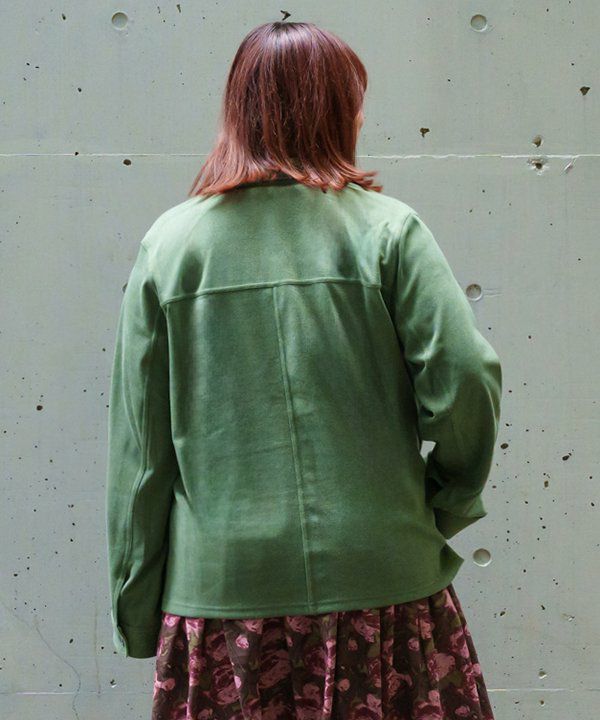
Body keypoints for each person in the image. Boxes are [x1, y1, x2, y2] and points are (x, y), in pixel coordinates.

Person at [105, 19, 502, 720]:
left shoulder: (171, 246)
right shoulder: (388, 231)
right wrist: (446, 498)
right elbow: (465, 378)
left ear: (238, 111)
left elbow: (141, 454)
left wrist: (137, 604)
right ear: (338, 111)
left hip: (225, 597)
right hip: (383, 577)